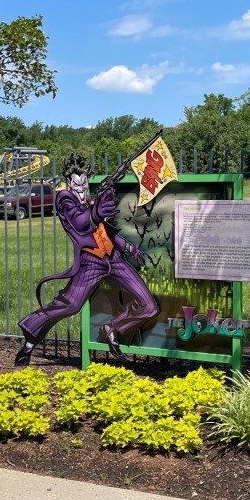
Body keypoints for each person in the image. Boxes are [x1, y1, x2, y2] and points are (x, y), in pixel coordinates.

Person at [14, 153, 159, 365]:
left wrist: (128, 246)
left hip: (115, 260)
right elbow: (80, 222)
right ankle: (29, 343)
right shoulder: (64, 199)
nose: (81, 190)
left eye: (84, 184)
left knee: (149, 306)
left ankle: (111, 329)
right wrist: (95, 211)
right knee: (69, 305)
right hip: (90, 263)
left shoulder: (91, 200)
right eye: (76, 185)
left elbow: (105, 233)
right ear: (68, 183)